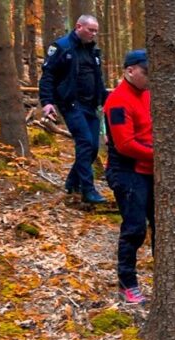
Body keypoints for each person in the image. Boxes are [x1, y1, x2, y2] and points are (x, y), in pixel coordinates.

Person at [39, 15, 109, 204]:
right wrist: (47, 102)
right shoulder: (62, 47)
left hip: (91, 105)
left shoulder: (93, 51)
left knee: (93, 147)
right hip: (71, 104)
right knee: (85, 142)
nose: (93, 34)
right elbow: (48, 76)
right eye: (90, 30)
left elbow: (98, 79)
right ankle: (88, 190)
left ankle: (71, 182)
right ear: (79, 26)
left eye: (96, 31)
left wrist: (105, 99)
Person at [103, 49, 153, 305]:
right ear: (129, 70)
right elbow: (125, 144)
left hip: (151, 169)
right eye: (145, 72)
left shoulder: (149, 95)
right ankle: (127, 283)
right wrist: (160, 156)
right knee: (134, 228)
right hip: (127, 170)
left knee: (162, 226)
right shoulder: (118, 101)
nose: (149, 77)